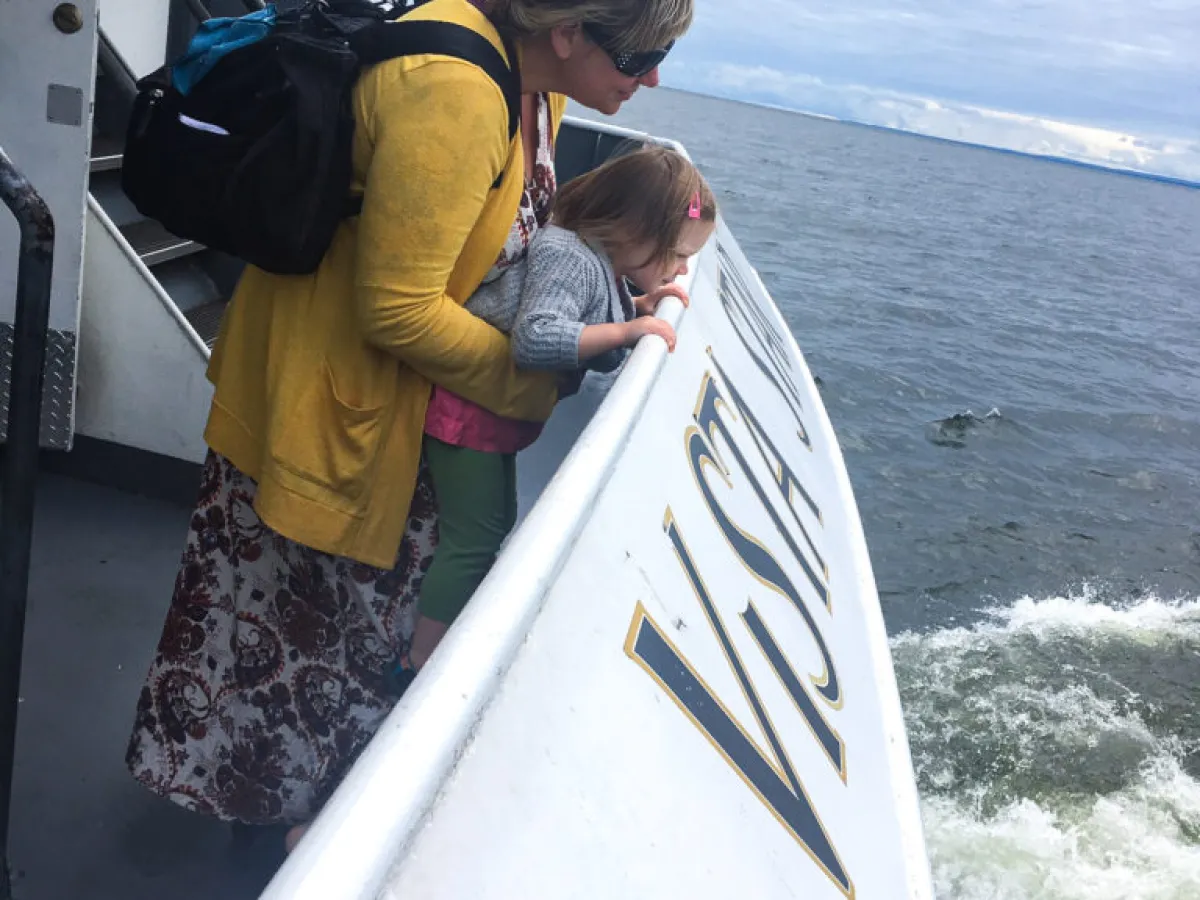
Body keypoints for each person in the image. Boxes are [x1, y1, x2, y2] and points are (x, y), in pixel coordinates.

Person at [124, 0, 694, 855]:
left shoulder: (541, 92)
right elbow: (398, 310)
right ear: (568, 30)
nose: (651, 79)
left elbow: (513, 243)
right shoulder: (457, 93)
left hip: (408, 411)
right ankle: (292, 844)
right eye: (640, 55)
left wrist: (611, 301)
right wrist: (535, 383)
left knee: (342, 647)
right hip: (331, 408)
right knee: (302, 642)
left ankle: (291, 823)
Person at [401, 145, 718, 682]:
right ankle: (421, 662)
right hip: (467, 413)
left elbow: (588, 299)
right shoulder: (568, 255)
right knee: (475, 539)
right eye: (677, 253)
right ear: (635, 232)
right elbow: (538, 336)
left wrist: (635, 305)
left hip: (487, 411)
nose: (683, 268)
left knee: (495, 523)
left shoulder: (595, 258)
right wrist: (626, 331)